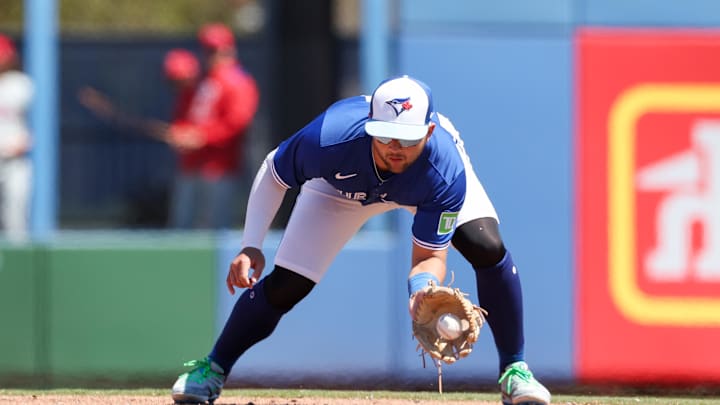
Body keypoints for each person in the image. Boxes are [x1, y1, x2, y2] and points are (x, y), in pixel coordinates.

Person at [170, 75, 551, 405]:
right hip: (339, 190)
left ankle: (515, 371)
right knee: (288, 285)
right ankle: (213, 369)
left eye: (407, 137)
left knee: (486, 245)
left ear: (429, 132)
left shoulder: (443, 169)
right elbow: (274, 173)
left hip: (423, 189)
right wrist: (251, 245)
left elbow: (428, 255)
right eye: (384, 135)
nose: (394, 147)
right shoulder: (330, 137)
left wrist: (422, 289)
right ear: (370, 123)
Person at [166, 23, 259, 230]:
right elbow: (185, 113)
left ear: (229, 49)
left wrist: (201, 136)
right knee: (182, 227)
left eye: (215, 50)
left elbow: (237, 122)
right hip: (190, 166)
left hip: (219, 168)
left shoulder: (238, 81)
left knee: (213, 231)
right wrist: (180, 132)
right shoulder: (201, 80)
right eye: (207, 50)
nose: (211, 55)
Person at [0, 34, 33, 242]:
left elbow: (39, 120)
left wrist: (28, 140)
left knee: (15, 219)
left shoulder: (21, 84)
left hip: (15, 160)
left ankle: (19, 265)